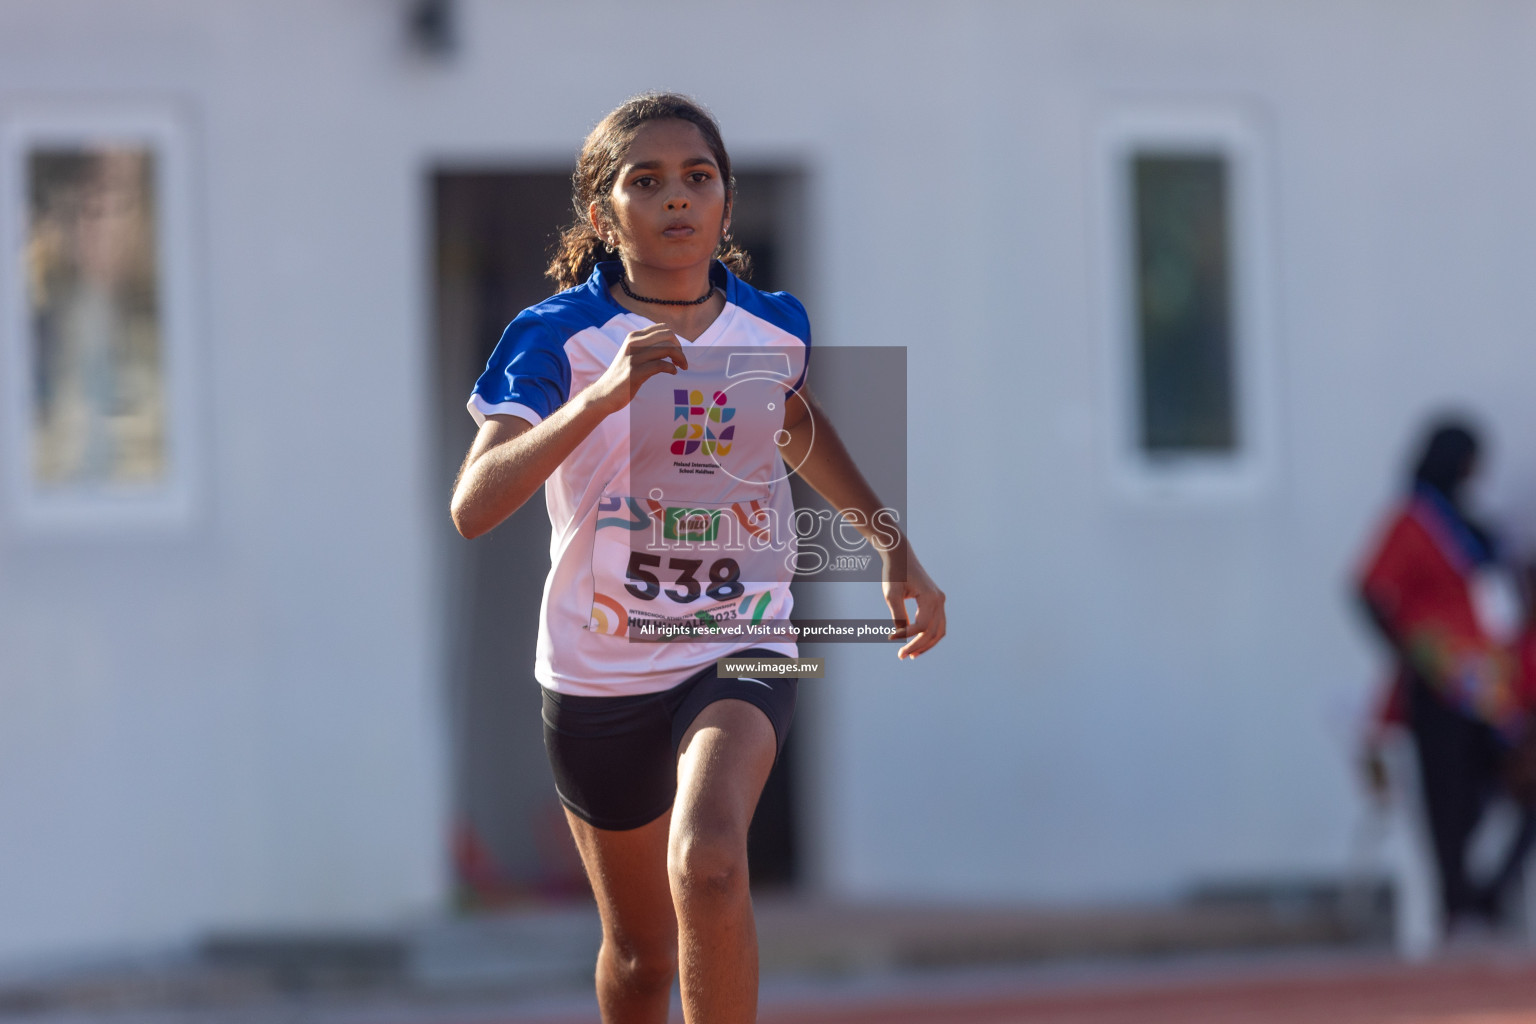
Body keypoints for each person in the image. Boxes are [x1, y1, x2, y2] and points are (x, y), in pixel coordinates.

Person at [450, 93, 946, 1024]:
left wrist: (892, 546)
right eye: (647, 181)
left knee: (708, 860)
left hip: (740, 639)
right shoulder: (554, 335)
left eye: (698, 177)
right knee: (639, 961)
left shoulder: (773, 325)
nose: (677, 197)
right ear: (603, 215)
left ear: (725, 201)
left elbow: (796, 426)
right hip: (598, 670)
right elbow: (474, 509)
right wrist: (597, 400)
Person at [1356, 419, 1536, 932]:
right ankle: (1456, 901)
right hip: (1441, 682)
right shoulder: (1413, 522)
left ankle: (1490, 892)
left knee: (1514, 781)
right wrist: (1410, 653)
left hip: (1494, 684)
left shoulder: (1478, 524)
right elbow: (1368, 590)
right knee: (1447, 796)